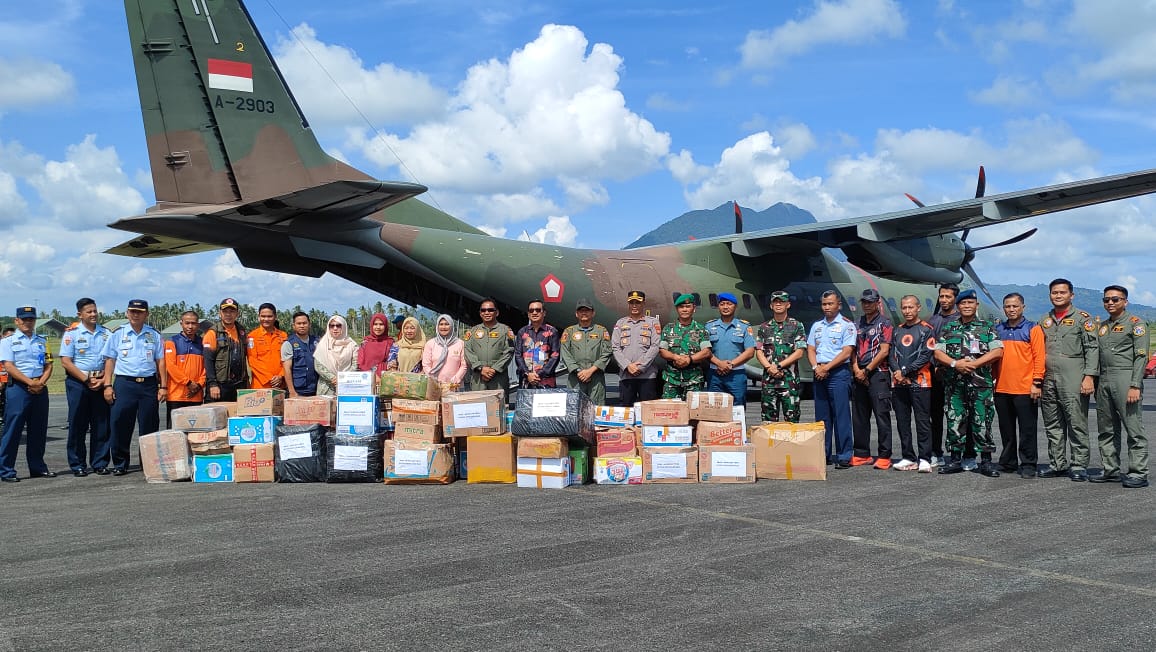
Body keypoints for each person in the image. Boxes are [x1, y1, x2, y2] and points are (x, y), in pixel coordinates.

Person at [934, 289, 1003, 477]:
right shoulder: (949, 328)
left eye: (970, 303)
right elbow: (938, 352)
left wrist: (974, 364)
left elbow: (997, 351)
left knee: (982, 422)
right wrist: (955, 364)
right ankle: (955, 459)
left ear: (976, 305)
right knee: (955, 420)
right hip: (955, 386)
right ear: (958, 306)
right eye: (963, 303)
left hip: (980, 385)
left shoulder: (987, 327)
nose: (966, 306)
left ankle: (986, 461)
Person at [1038, 278, 1099, 481]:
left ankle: (1079, 465)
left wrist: (1089, 376)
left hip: (1073, 376)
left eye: (1062, 292)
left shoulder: (1083, 319)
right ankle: (1057, 463)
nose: (1058, 296)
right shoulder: (1044, 320)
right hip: (1049, 377)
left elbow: (1092, 348)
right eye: (1054, 292)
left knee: (1076, 422)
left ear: (1071, 295)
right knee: (1052, 423)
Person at [100, 299, 167, 476]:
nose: (135, 315)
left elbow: (160, 361)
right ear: (127, 313)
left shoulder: (154, 334)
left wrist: (163, 386)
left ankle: (148, 463)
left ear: (146, 314)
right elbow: (110, 360)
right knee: (120, 423)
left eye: (140, 312)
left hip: (148, 384)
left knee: (149, 424)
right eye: (132, 311)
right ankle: (120, 463)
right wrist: (107, 385)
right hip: (125, 383)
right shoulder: (118, 333)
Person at [1091, 286, 1148, 488]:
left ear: (1125, 301)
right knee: (1106, 428)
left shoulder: (1135, 323)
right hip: (1104, 379)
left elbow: (1141, 356)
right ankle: (1110, 469)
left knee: (1133, 428)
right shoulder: (1103, 326)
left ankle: (1138, 472)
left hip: (1125, 377)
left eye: (1115, 299)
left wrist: (1135, 385)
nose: (1110, 303)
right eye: (1106, 300)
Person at [59, 298, 113, 477]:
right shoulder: (72, 334)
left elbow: (110, 359)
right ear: (80, 314)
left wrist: (104, 379)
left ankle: (100, 463)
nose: (93, 314)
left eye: (95, 311)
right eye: (89, 312)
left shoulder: (106, 333)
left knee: (101, 424)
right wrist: (86, 379)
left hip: (100, 381)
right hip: (78, 382)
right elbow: (66, 362)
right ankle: (78, 464)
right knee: (78, 424)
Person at [0, 306, 55, 482]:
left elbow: (48, 365)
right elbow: (9, 366)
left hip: (40, 387)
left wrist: (40, 382)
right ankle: (6, 470)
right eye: (24, 319)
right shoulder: (8, 341)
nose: (28, 322)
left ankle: (38, 467)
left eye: (31, 319)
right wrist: (31, 383)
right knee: (13, 430)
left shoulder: (42, 341)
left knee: (38, 430)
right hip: (19, 388)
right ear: (17, 321)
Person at [993, 293, 1045, 478]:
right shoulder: (998, 329)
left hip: (1025, 388)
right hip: (1001, 387)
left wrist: (1037, 382)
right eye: (1008, 306)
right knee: (1006, 429)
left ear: (1023, 307)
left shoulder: (1033, 329)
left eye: (1015, 306)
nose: (1011, 309)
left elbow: (1039, 357)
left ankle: (1028, 463)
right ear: (1003, 308)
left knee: (1027, 429)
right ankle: (1008, 461)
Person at [807, 290, 856, 468]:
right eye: (824, 304)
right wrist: (816, 368)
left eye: (830, 304)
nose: (827, 307)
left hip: (837, 373)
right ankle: (823, 453)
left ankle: (844, 455)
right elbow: (811, 349)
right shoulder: (817, 326)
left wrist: (826, 368)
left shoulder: (847, 325)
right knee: (822, 418)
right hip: (819, 372)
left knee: (841, 415)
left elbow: (847, 352)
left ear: (839, 305)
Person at [889, 295, 936, 473]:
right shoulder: (897, 330)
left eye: (911, 307)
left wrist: (906, 371)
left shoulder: (926, 330)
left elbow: (926, 356)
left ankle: (925, 458)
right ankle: (908, 456)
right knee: (902, 421)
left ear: (918, 308)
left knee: (922, 421)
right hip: (898, 383)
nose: (907, 311)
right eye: (904, 308)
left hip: (920, 383)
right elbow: (891, 355)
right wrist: (898, 372)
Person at [851, 288, 894, 469]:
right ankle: (862, 453)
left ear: (878, 303)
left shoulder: (885, 323)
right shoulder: (856, 323)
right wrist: (856, 369)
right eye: (864, 302)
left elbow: (884, 351)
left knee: (881, 415)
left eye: (870, 302)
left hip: (878, 373)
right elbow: (852, 349)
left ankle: (884, 455)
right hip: (858, 373)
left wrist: (867, 370)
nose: (867, 305)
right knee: (859, 416)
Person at [755, 290, 807, 423]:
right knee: (768, 422)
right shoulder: (764, 327)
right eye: (775, 302)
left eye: (781, 302)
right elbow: (759, 351)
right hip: (769, 382)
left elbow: (799, 352)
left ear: (788, 305)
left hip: (789, 382)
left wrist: (778, 366)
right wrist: (769, 368)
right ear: (771, 306)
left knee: (792, 421)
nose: (778, 304)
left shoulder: (796, 326)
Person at [927, 283, 960, 466]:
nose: (944, 300)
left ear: (955, 298)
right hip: (936, 374)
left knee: (958, 416)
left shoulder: (961, 320)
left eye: (948, 296)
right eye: (942, 296)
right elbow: (928, 347)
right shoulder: (932, 321)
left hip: (957, 374)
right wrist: (935, 366)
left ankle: (958, 453)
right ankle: (936, 452)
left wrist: (950, 366)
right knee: (936, 415)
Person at [658, 294, 711, 400]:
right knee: (670, 409)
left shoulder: (701, 329)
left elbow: (706, 352)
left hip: (693, 380)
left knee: (693, 409)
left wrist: (689, 360)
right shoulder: (668, 328)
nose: (685, 310)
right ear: (677, 309)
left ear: (694, 308)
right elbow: (662, 351)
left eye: (688, 306)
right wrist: (675, 357)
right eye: (681, 307)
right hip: (671, 379)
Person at [612, 290, 661, 405]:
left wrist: (641, 366)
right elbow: (615, 347)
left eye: (638, 302)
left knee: (648, 410)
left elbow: (655, 346)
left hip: (647, 376)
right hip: (626, 375)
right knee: (627, 410)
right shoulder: (620, 323)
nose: (634, 306)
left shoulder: (653, 322)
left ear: (643, 303)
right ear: (628, 304)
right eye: (632, 303)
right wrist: (628, 366)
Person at [706, 293, 756, 405]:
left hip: (736, 374)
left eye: (729, 304)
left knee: (737, 408)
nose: (725, 307)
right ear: (718, 307)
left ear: (735, 306)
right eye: (722, 304)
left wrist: (731, 365)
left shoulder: (744, 327)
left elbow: (750, 352)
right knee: (714, 408)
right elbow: (705, 351)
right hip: (715, 374)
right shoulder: (709, 326)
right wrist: (719, 363)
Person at [561, 298, 614, 404]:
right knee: (574, 408)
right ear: (576, 314)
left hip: (596, 378)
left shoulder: (601, 331)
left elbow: (607, 352)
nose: (584, 313)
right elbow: (565, 353)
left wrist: (590, 371)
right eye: (581, 310)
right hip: (576, 378)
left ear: (593, 313)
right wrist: (579, 371)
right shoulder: (569, 331)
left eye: (587, 310)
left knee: (596, 409)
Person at [464, 299, 514, 403]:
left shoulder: (505, 330)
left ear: (497, 312)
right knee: (478, 407)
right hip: (478, 377)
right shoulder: (472, 331)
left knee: (499, 407)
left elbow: (509, 351)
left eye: (490, 310)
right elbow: (467, 351)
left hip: (498, 378)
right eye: (483, 310)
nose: (487, 312)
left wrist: (494, 369)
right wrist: (480, 368)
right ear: (480, 313)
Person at [164, 310, 206, 428]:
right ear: (181, 323)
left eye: (193, 323)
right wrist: (188, 383)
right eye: (187, 323)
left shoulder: (202, 343)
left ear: (198, 325)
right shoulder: (172, 341)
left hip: (196, 395)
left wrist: (199, 385)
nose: (190, 326)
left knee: (195, 431)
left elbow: (206, 367)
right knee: (174, 432)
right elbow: (171, 366)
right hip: (176, 395)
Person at [203, 297, 249, 402]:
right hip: (220, 385)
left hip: (239, 384)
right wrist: (212, 384)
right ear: (220, 313)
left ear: (237, 314)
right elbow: (208, 361)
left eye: (232, 311)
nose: (228, 314)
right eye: (225, 311)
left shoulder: (242, 332)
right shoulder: (212, 333)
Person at [515, 300, 561, 389]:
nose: (534, 313)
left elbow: (555, 356)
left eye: (538, 310)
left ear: (544, 313)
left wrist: (539, 374)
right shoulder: (522, 332)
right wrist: (528, 374)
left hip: (546, 381)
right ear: (528, 314)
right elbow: (518, 355)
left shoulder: (552, 332)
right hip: (526, 381)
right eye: (531, 310)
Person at [314, 315, 359, 396]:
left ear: (344, 327)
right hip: (326, 387)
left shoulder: (352, 345)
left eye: (338, 325)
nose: (335, 328)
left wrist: (343, 379)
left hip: (347, 385)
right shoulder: (322, 344)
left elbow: (355, 364)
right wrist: (333, 378)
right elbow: (318, 365)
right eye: (332, 326)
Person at [247, 303, 288, 390]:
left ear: (275, 317)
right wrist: (270, 378)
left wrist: (281, 376)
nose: (266, 319)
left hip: (281, 384)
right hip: (261, 386)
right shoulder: (252, 336)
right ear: (259, 317)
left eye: (269, 316)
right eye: (263, 316)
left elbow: (287, 359)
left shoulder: (283, 336)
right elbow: (252, 361)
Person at [423, 314, 467, 392]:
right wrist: (433, 379)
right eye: (441, 324)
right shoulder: (430, 344)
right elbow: (426, 365)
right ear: (437, 326)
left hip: (454, 386)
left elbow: (464, 365)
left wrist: (455, 380)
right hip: (435, 385)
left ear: (452, 326)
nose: (443, 327)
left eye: (447, 324)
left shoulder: (460, 344)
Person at [281, 311, 319, 397]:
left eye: (304, 323)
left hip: (316, 389)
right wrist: (292, 391)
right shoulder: (288, 344)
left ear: (309, 325)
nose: (302, 326)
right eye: (299, 323)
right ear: (294, 326)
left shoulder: (317, 341)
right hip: (299, 390)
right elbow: (287, 369)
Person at [358, 313, 394, 377]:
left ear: (385, 326)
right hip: (367, 377)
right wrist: (372, 376)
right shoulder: (365, 343)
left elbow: (393, 364)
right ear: (372, 325)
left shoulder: (391, 343)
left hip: (385, 378)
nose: (378, 327)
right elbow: (360, 363)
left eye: (381, 324)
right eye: (375, 324)